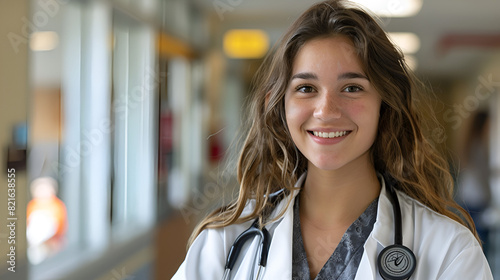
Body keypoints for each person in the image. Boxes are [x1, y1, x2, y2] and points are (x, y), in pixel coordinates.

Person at [173, 1, 493, 279]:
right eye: (306, 88)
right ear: (280, 104)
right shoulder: (224, 244)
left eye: (352, 88)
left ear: (385, 104)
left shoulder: (449, 251)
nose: (326, 111)